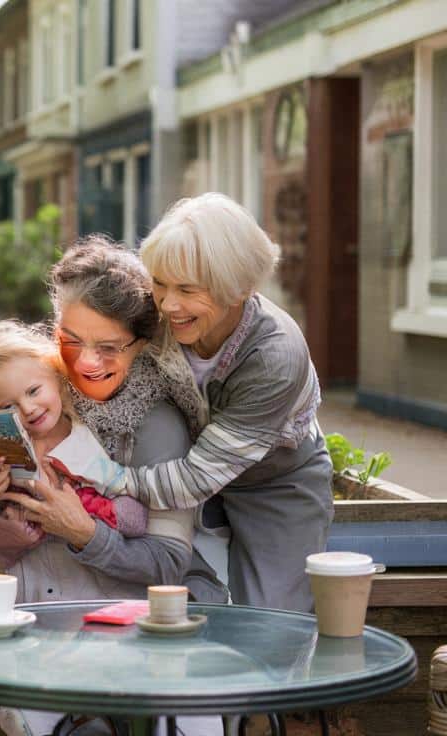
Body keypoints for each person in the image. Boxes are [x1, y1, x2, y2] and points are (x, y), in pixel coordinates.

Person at [0, 240, 225, 736]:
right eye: (72, 340)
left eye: (107, 347)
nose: (87, 362)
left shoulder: (152, 422)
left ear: (141, 344)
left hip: (124, 629)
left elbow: (170, 561)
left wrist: (84, 531)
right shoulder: (38, 395)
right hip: (39, 627)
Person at [94, 192, 333, 612]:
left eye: (187, 290)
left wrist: (107, 478)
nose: (168, 305)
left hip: (273, 481)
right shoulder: (154, 310)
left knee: (272, 623)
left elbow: (194, 480)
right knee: (182, 609)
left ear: (238, 287)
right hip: (173, 465)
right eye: (161, 284)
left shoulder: (274, 356)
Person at [0, 320, 148, 570]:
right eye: (8, 407)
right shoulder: (4, 445)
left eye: (33, 391)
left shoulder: (84, 430)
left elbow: (113, 482)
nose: (28, 409)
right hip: (31, 561)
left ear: (55, 374)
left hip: (90, 537)